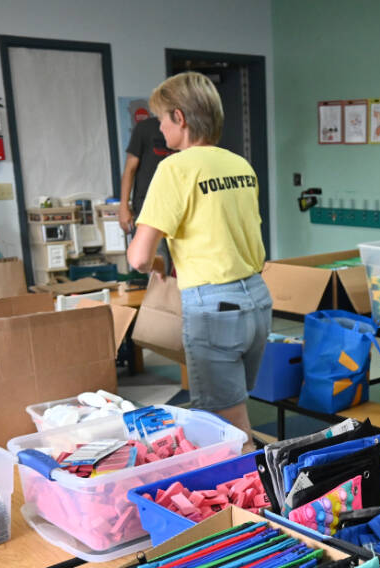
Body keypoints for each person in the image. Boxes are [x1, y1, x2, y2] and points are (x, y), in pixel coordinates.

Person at [127, 72, 270, 449]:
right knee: (235, 407)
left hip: (214, 308)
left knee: (227, 424)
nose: (159, 127)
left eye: (161, 118)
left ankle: (254, 498)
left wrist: (148, 262)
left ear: (180, 117)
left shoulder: (174, 169)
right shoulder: (240, 165)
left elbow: (140, 256)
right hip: (256, 301)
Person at [118, 115, 172, 256]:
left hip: (176, 206)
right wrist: (124, 206)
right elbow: (129, 169)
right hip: (147, 207)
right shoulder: (144, 128)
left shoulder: (185, 128)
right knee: (155, 262)